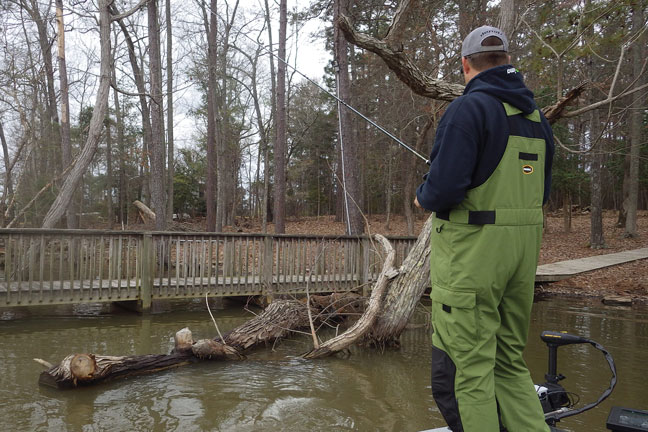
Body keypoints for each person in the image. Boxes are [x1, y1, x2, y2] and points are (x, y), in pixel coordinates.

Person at [414, 25, 554, 432]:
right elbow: (540, 192)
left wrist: (422, 197)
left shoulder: (468, 110)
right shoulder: (536, 118)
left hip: (472, 261)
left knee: (464, 373)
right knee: (509, 362)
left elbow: (443, 191)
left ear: (465, 65)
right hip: (521, 260)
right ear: (507, 61)